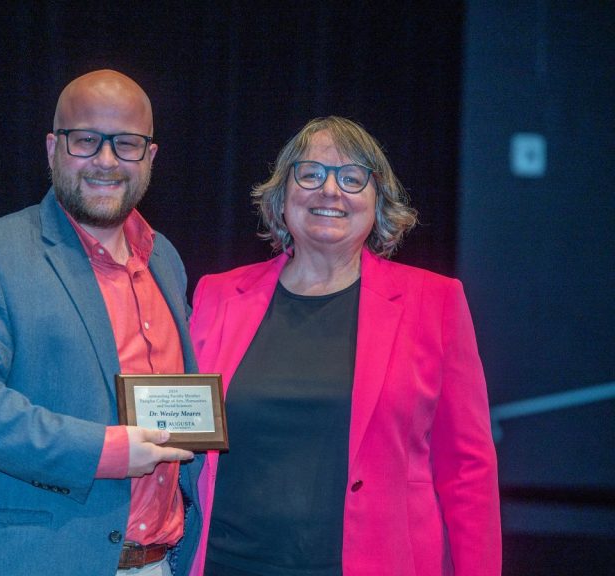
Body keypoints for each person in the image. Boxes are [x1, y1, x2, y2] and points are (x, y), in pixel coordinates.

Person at [0, 70, 203, 576]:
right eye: (86, 140)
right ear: (52, 148)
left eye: (127, 144)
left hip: (161, 561)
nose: (107, 161)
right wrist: (103, 452)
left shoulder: (166, 259)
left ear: (150, 157)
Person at [188, 116, 501, 575]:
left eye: (352, 178)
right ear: (282, 196)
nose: (330, 191)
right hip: (226, 563)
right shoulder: (217, 296)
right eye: (310, 174)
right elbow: (179, 435)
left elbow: (468, 469)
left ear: (379, 202)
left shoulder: (436, 302)